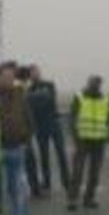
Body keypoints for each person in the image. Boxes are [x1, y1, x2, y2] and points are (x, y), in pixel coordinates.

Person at [0, 63, 35, 215]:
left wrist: (28, 138)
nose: (10, 80)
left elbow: (28, 116)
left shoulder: (20, 95)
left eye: (11, 77)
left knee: (18, 191)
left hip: (17, 147)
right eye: (6, 77)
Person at [69, 75, 109, 210]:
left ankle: (89, 198)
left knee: (94, 172)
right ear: (88, 83)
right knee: (78, 170)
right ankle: (72, 199)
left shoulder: (105, 99)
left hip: (99, 139)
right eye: (94, 83)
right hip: (82, 139)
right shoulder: (80, 97)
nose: (95, 86)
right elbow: (72, 117)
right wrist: (75, 134)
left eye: (98, 83)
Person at [26, 65, 70, 199]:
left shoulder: (49, 84)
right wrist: (39, 98)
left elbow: (49, 99)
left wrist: (35, 98)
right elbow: (32, 103)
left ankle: (67, 182)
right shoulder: (29, 89)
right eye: (32, 72)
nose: (35, 74)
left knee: (61, 152)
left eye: (37, 71)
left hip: (54, 123)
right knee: (44, 155)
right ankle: (47, 183)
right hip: (40, 126)